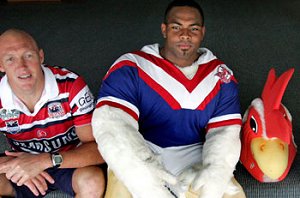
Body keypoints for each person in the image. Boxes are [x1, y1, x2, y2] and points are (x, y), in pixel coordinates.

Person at [92, 0, 246, 197]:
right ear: (164, 30)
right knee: (122, 190)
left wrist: (215, 170)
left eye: (193, 28)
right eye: (176, 27)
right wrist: (142, 175)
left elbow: (224, 134)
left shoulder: (221, 76)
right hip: (141, 148)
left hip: (193, 153)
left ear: (203, 32)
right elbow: (113, 126)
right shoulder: (131, 66)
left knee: (231, 193)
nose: (185, 34)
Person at [0, 29, 106, 198]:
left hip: (67, 159)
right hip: (21, 162)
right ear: (1, 65)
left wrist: (43, 161)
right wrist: (12, 166)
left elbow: (98, 150)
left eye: (28, 55)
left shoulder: (71, 85)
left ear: (40, 57)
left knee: (92, 181)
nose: (22, 66)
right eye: (10, 59)